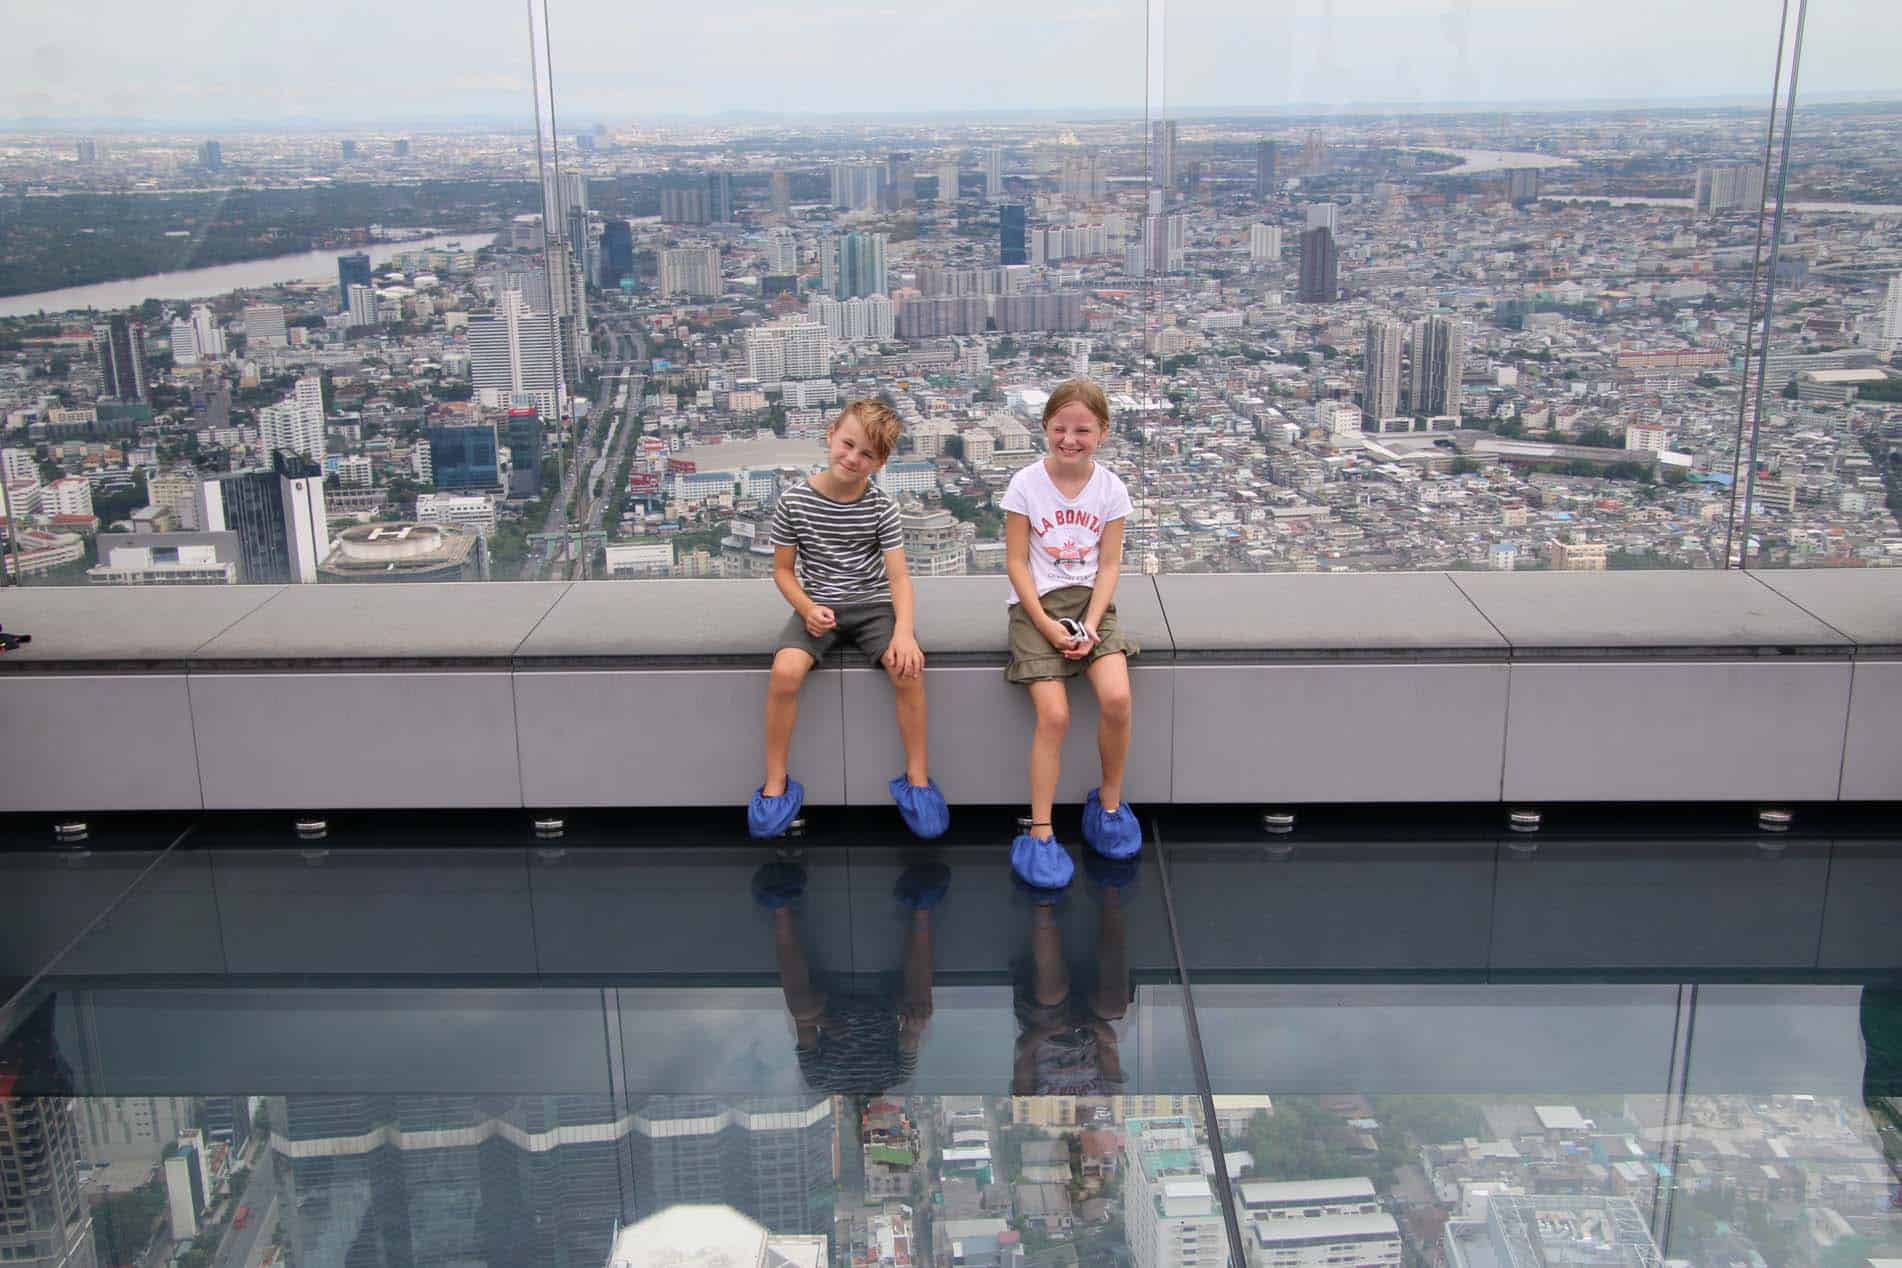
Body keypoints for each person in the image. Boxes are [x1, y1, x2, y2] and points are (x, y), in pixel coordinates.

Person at [750, 399, 949, 840]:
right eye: (848, 444)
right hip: (817, 605)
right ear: (831, 434)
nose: (852, 459)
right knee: (785, 672)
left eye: (866, 455)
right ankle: (776, 781)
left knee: (908, 670)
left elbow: (898, 577)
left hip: (874, 604)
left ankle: (917, 779)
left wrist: (903, 633)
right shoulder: (795, 501)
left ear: (880, 464)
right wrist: (805, 609)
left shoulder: (881, 506)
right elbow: (782, 570)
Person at [1001, 378, 1141, 888]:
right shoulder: (1024, 484)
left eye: (1082, 429)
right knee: (1055, 715)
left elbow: (1108, 565)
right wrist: (1043, 623)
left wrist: (1089, 622)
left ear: (1102, 432)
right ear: (1045, 428)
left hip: (1090, 605)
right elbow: (1016, 562)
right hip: (1036, 608)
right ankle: (1040, 830)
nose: (1069, 439)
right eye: (1060, 428)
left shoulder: (1112, 490)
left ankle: (1107, 804)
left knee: (1117, 699)